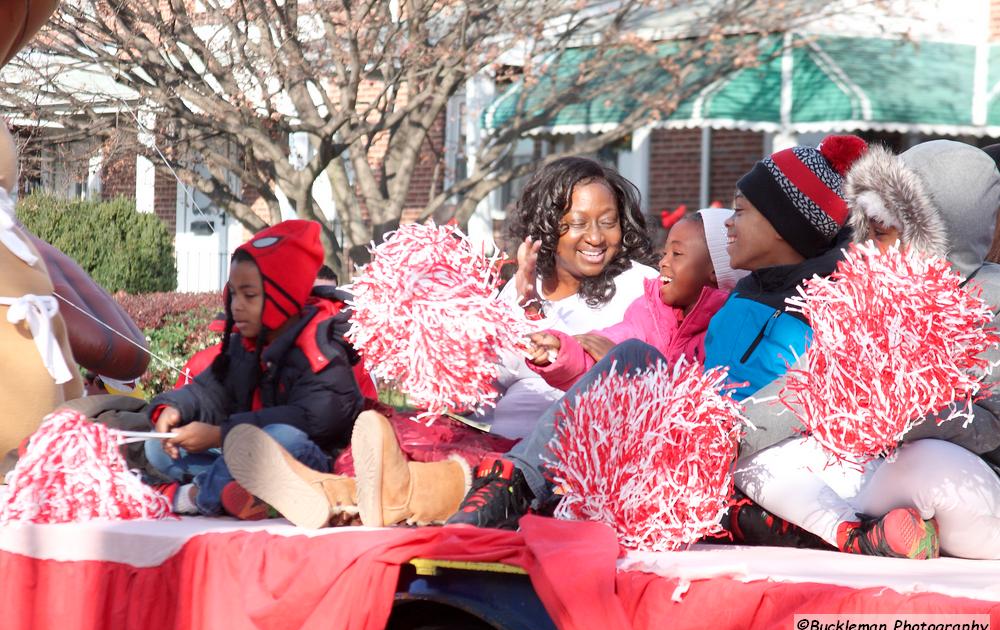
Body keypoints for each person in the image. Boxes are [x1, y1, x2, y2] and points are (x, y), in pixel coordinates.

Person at [445, 135, 869, 529]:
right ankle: (510, 487)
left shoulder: (819, 310)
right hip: (681, 439)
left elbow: (791, 405)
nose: (728, 224)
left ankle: (510, 487)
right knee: (631, 357)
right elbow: (621, 351)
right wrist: (556, 344)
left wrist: (706, 424)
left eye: (740, 211)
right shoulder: (741, 299)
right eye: (578, 222)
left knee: (633, 360)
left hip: (731, 455)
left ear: (780, 225)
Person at [225, 157, 659, 528]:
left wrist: (552, 337)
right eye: (578, 224)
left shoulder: (640, 284)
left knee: (464, 467)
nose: (597, 238)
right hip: (495, 441)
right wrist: (471, 328)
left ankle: (340, 495)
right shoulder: (521, 290)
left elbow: (633, 368)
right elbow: (480, 398)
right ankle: (331, 494)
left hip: (553, 458)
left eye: (608, 222)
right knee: (409, 432)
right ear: (548, 225)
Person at [734, 140, 1000, 559]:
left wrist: (903, 416)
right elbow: (804, 387)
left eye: (879, 235)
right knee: (757, 456)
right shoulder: (865, 298)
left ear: (936, 235)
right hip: (879, 477)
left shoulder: (990, 298)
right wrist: (728, 431)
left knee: (929, 463)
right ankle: (855, 534)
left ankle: (799, 525)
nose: (863, 248)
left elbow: (991, 426)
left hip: (964, 484)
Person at [144, 219, 363, 518]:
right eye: (233, 293)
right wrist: (172, 410)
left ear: (281, 299)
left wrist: (220, 435)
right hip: (247, 454)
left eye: (249, 296)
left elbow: (312, 420)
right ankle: (238, 492)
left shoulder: (321, 351)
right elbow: (209, 392)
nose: (236, 306)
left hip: (314, 462)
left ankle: (197, 495)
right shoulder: (244, 346)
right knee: (157, 447)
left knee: (279, 436)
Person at [526, 208, 741, 391]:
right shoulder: (650, 310)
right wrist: (559, 351)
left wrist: (626, 364)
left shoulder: (729, 332)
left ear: (715, 270)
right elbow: (601, 348)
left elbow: (696, 407)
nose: (663, 262)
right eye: (664, 252)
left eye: (676, 254)